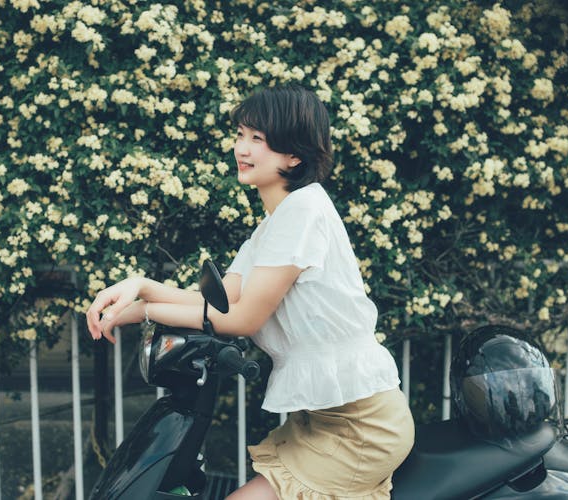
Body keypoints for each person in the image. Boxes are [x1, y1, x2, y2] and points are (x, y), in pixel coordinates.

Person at [86, 85, 414, 499]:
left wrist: (146, 304)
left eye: (257, 139)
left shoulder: (303, 211)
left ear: (294, 155)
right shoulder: (273, 226)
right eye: (241, 135)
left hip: (360, 430)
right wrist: (137, 296)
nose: (242, 148)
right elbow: (220, 301)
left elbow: (242, 320)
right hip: (323, 423)